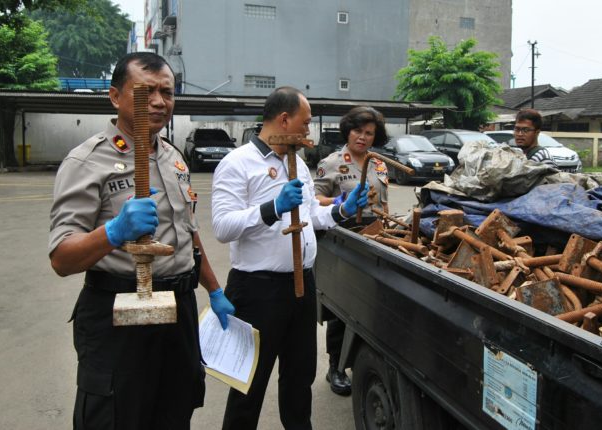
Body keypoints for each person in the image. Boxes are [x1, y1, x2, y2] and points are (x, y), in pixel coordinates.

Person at [48, 52, 234, 429]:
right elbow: (62, 258)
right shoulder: (87, 162)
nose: (159, 102)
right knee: (117, 417)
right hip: (118, 313)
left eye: (167, 92)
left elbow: (189, 234)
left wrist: (214, 290)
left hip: (178, 310)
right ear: (116, 97)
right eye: (145, 92)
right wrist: (114, 231)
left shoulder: (173, 158)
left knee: (174, 411)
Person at [211, 86, 369, 430]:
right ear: (284, 119)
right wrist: (272, 208)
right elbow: (223, 227)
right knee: (247, 385)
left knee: (299, 380)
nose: (309, 131)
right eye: (306, 122)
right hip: (257, 291)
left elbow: (312, 215)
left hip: (301, 287)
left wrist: (343, 210)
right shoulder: (237, 163)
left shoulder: (296, 164)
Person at [313, 106, 389, 396]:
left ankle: (362, 360)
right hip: (344, 238)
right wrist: (340, 201)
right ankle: (335, 366)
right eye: (358, 131)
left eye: (369, 133)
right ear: (348, 131)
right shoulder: (331, 162)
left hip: (378, 239)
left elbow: (384, 202)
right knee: (342, 306)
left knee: (372, 305)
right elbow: (314, 198)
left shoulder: (379, 163)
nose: (363, 137)